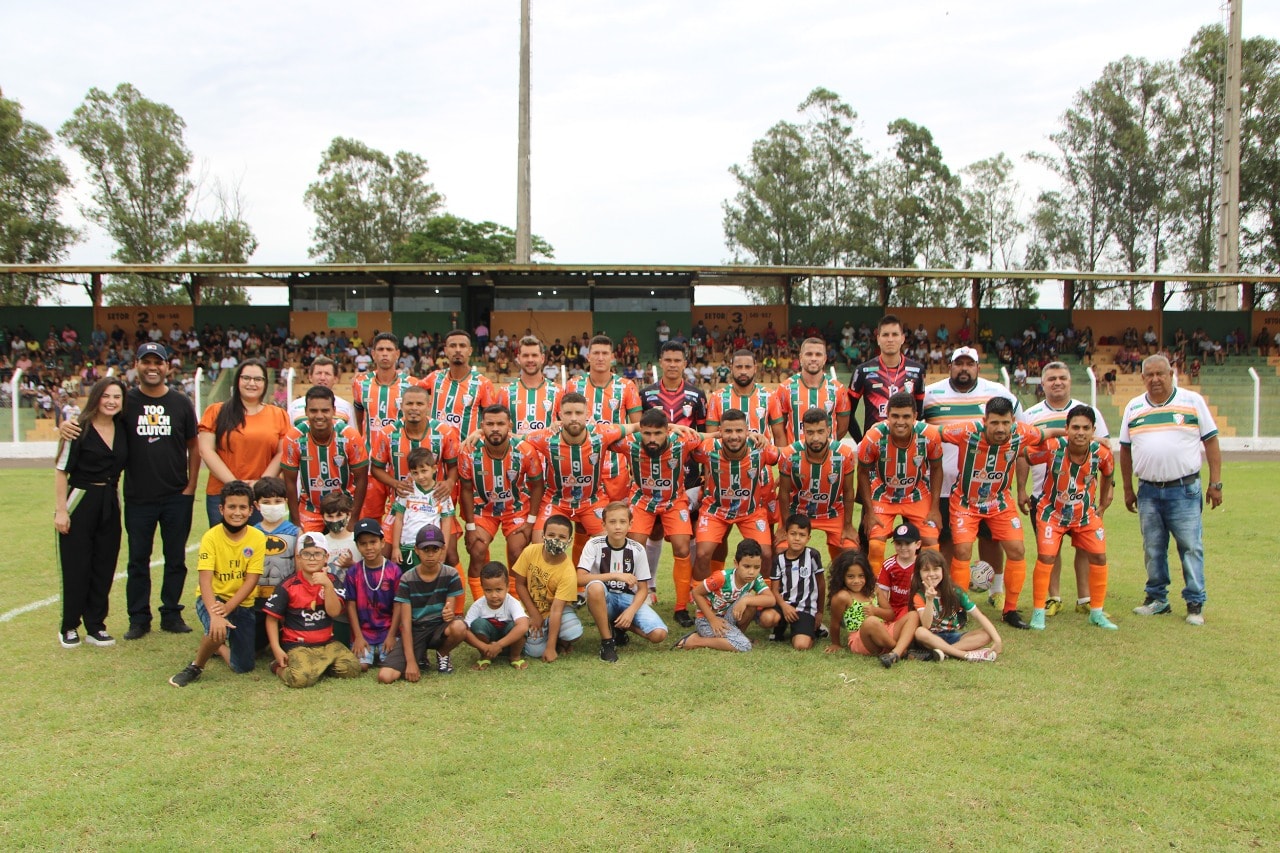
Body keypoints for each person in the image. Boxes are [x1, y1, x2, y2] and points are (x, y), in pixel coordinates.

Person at [63, 341, 200, 639]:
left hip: (177, 495)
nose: (153, 367)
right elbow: (98, 420)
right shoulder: (127, 403)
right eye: (146, 361)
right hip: (138, 497)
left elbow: (194, 445)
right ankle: (138, 618)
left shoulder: (180, 403)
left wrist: (191, 485)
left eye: (158, 362)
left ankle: (171, 612)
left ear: (167, 367)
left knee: (175, 558)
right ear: (136, 365)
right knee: (138, 559)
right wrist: (67, 425)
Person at [1119, 355, 1222, 626]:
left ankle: (1195, 602)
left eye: (1160, 374)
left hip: (1184, 489)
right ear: (1142, 378)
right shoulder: (1134, 407)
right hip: (1148, 491)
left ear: (1171, 374)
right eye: (1149, 375)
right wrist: (1128, 489)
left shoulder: (1191, 401)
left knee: (1190, 547)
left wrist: (1215, 483)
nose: (1155, 379)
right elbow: (1126, 450)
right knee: (1153, 547)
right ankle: (1157, 599)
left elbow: (1211, 442)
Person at [943, 397, 1057, 630]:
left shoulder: (1022, 433)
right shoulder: (967, 431)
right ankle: (959, 608)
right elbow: (934, 432)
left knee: (1017, 550)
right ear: (984, 421)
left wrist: (1088, 436)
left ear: (1013, 421)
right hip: (966, 502)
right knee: (963, 550)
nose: (1001, 428)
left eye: (1005, 422)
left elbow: (1047, 433)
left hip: (999, 502)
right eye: (994, 423)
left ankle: (1010, 610)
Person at [922, 346, 1020, 605]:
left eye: (969, 364)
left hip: (987, 487)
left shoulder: (997, 392)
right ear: (950, 365)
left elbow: (1019, 425)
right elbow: (918, 430)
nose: (964, 368)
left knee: (991, 539)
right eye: (959, 363)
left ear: (977, 367)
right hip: (942, 484)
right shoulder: (931, 394)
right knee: (948, 540)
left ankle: (995, 591)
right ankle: (949, 591)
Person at [1016, 362, 1110, 616]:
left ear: (1070, 382)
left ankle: (1085, 599)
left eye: (1062, 378)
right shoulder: (1031, 414)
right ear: (1042, 384)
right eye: (1051, 379)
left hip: (1082, 499)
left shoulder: (1089, 412)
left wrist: (1104, 495)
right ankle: (1053, 597)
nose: (1057, 382)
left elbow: (1104, 448)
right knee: (1050, 549)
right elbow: (1023, 454)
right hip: (1044, 496)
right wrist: (1021, 490)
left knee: (1085, 548)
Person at [53, 377, 129, 648]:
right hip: (81, 498)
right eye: (106, 395)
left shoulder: (123, 428)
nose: (111, 401)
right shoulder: (78, 429)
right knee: (77, 565)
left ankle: (96, 625)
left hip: (110, 501)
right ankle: (69, 625)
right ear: (96, 397)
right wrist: (61, 511)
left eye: (117, 397)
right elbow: (61, 470)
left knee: (104, 565)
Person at [609, 408, 702, 625]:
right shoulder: (630, 444)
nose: (652, 439)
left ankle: (680, 608)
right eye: (647, 433)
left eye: (658, 433)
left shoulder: (682, 442)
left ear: (667, 432)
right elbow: (603, 435)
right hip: (643, 500)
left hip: (674, 501)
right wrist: (631, 428)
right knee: (634, 546)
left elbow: (709, 436)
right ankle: (630, 599)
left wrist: (752, 435)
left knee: (682, 546)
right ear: (640, 431)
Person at [167, 481, 264, 687]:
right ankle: (196, 666)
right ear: (221, 509)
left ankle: (218, 646)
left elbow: (251, 579)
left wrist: (228, 608)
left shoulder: (258, 537)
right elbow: (205, 579)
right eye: (231, 507)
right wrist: (215, 614)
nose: (237, 512)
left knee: (243, 667)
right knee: (217, 627)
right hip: (213, 599)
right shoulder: (211, 537)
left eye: (242, 507)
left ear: (251, 509)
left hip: (240, 603)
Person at [458, 405, 545, 600]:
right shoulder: (469, 451)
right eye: (490, 424)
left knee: (517, 550)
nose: (495, 428)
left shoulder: (525, 450)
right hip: (483, 509)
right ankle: (482, 602)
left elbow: (537, 485)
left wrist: (531, 521)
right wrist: (470, 526)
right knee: (477, 550)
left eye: (500, 423)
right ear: (482, 426)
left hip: (515, 510)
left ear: (509, 426)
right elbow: (465, 489)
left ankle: (515, 603)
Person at [262, 532, 363, 688]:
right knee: (301, 679)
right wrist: (276, 648)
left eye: (317, 554)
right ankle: (277, 666)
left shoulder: (333, 581)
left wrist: (327, 586)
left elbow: (334, 612)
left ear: (326, 557)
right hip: (298, 645)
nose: (312, 559)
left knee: (352, 668)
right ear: (299, 557)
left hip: (327, 643)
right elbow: (271, 619)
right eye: (307, 554)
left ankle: (317, 667)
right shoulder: (288, 585)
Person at [197, 358, 289, 526]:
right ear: (237, 380)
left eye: (258, 379)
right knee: (224, 548)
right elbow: (206, 450)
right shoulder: (216, 411)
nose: (251, 383)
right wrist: (235, 485)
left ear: (265, 383)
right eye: (246, 378)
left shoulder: (278, 415)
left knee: (259, 549)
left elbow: (282, 452)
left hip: (262, 496)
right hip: (222, 493)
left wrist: (260, 484)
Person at [691, 409, 780, 581]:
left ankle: (764, 597)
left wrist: (765, 439)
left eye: (739, 431)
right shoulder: (707, 449)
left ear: (747, 431)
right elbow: (685, 441)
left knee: (766, 554)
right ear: (720, 432)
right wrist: (711, 436)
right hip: (715, 511)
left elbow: (784, 458)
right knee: (702, 553)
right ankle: (703, 599)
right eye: (728, 431)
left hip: (750, 512)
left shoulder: (761, 449)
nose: (734, 436)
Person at [577, 501, 669, 662]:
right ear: (603, 524)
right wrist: (614, 575)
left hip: (627, 599)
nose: (617, 527)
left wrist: (631, 611)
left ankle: (617, 624)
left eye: (622, 522)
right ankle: (607, 643)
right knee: (596, 588)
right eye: (612, 522)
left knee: (659, 634)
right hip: (604, 598)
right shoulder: (593, 544)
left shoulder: (637, 549)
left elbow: (642, 589)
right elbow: (580, 578)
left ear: (630, 524)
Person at [377, 524, 467, 682]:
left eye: (435, 549)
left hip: (439, 628)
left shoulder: (450, 574)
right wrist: (411, 663)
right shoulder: (408, 578)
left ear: (442, 550)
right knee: (385, 676)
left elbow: (449, 610)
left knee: (459, 627)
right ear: (417, 550)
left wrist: (449, 613)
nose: (431, 555)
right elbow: (405, 624)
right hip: (416, 629)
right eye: (426, 550)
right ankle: (419, 656)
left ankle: (443, 653)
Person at [352, 333, 422, 520]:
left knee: (404, 519)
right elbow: (360, 415)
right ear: (373, 354)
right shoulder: (360, 383)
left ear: (397, 353)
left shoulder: (411, 384)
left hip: (400, 462)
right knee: (370, 518)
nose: (385, 354)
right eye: (380, 350)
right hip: (371, 463)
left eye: (389, 350)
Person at [281, 386, 368, 533]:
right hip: (311, 507)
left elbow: (362, 479)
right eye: (313, 411)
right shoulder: (293, 438)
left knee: (351, 549)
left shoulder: (350, 437)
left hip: (345, 506)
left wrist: (353, 517)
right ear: (306, 411)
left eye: (325, 410)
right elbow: (289, 481)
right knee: (305, 548)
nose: (319, 416)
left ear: (334, 411)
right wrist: (295, 522)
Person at [776, 408, 858, 559]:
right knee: (782, 552)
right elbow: (784, 492)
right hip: (798, 512)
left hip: (833, 512)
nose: (815, 438)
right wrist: (784, 526)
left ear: (828, 430)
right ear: (803, 432)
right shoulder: (789, 455)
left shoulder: (844, 454)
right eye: (810, 432)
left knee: (852, 555)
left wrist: (848, 525)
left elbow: (848, 491)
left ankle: (836, 577)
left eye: (820, 432)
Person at [673, 539, 779, 652]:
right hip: (707, 620)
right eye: (746, 566)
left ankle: (737, 636)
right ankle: (694, 640)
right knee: (745, 646)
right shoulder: (721, 578)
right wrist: (713, 619)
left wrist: (746, 600)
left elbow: (771, 599)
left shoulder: (755, 579)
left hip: (727, 618)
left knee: (750, 599)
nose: (752, 572)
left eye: (756, 567)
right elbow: (696, 593)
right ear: (736, 563)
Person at [511, 514, 584, 662]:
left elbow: (557, 610)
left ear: (569, 542)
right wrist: (534, 614)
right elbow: (519, 584)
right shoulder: (530, 551)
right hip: (531, 609)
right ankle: (545, 635)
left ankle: (557, 640)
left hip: (554, 611)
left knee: (572, 631)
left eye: (562, 537)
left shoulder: (568, 572)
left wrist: (550, 648)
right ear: (543, 535)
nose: (556, 540)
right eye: (551, 534)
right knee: (534, 651)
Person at [910, 549, 1002, 662]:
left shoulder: (955, 592)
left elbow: (979, 616)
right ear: (919, 573)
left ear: (943, 570)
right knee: (920, 632)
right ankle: (965, 655)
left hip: (953, 636)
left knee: (987, 634)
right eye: (926, 570)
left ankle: (944, 653)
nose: (931, 574)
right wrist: (929, 600)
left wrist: (997, 640)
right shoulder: (919, 596)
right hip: (931, 638)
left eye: (936, 569)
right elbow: (926, 625)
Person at [846, 314, 926, 441]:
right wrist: (862, 442)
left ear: (902, 338)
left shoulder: (917, 370)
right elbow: (847, 414)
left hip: (906, 446)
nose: (890, 339)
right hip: (874, 449)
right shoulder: (862, 371)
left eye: (895, 334)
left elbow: (919, 415)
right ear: (878, 339)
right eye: (885, 335)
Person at [863, 522, 926, 668]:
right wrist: (882, 613)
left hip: (914, 607)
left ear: (918, 544)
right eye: (898, 543)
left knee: (915, 618)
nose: (903, 547)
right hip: (894, 609)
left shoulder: (923, 564)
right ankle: (904, 649)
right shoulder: (889, 564)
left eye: (907, 543)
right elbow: (882, 593)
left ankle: (900, 650)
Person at [345, 518, 404, 671]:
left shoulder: (394, 571)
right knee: (361, 666)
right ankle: (368, 650)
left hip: (388, 630)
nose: (369, 547)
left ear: (382, 542)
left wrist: (392, 636)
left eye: (373, 542)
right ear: (357, 546)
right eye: (363, 544)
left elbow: (399, 605)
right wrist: (357, 636)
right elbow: (350, 605)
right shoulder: (353, 572)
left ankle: (387, 646)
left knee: (390, 663)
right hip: (364, 632)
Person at [770, 337, 851, 445]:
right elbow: (779, 431)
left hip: (827, 458)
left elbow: (842, 429)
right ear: (800, 358)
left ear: (825, 359)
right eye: (809, 354)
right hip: (795, 458)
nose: (813, 358)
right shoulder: (785, 388)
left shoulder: (838, 389)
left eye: (818, 354)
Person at [251, 476, 300, 652]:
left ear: (285, 502)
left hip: (285, 601)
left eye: (277, 501)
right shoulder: (252, 533)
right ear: (257, 505)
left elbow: (298, 568)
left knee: (291, 646)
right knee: (251, 648)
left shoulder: (296, 532)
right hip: (256, 600)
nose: (272, 506)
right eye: (266, 502)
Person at [389, 447, 455, 572]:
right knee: (408, 583)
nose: (420, 476)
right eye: (415, 473)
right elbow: (398, 519)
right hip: (408, 547)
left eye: (424, 471)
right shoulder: (407, 490)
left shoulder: (442, 492)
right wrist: (395, 548)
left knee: (430, 582)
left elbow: (446, 521)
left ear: (434, 469)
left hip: (431, 547)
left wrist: (443, 549)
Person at [767, 514, 825, 650]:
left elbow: (821, 584)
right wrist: (784, 606)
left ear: (808, 538)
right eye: (793, 534)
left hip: (805, 607)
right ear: (786, 535)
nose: (797, 538)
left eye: (802, 535)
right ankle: (779, 629)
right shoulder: (778, 560)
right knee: (767, 618)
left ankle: (811, 630)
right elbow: (774, 589)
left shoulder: (812, 555)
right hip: (784, 605)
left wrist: (820, 612)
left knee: (801, 645)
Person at [462, 562, 530, 670]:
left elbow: (523, 626)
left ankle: (515, 656)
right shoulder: (478, 605)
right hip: (487, 645)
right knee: (477, 624)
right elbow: (464, 630)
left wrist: (499, 645)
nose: (494, 595)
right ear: (482, 588)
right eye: (488, 590)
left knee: (517, 626)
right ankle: (486, 655)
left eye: (498, 590)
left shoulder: (512, 602)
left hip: (510, 643)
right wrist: (484, 647)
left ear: (507, 587)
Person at [502, 335, 560, 434]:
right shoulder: (505, 392)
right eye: (525, 355)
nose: (530, 360)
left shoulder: (558, 391)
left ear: (542, 358)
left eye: (534, 355)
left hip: (547, 449)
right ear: (518, 359)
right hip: (516, 449)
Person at [823, 549, 877, 656]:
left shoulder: (874, 590)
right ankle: (897, 650)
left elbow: (890, 614)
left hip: (882, 630)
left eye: (861, 576)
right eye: (850, 576)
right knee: (871, 622)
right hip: (862, 638)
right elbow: (835, 623)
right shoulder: (842, 597)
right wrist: (836, 644)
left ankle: (898, 648)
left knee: (911, 616)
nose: (856, 581)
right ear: (842, 577)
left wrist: (876, 611)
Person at [288, 356, 356, 426]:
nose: (322, 378)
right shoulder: (294, 406)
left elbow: (352, 435)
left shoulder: (346, 407)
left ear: (335, 379)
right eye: (319, 373)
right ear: (310, 377)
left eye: (327, 374)